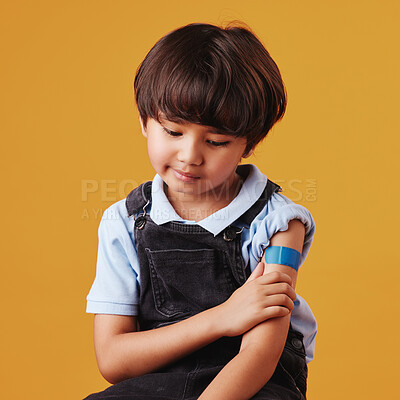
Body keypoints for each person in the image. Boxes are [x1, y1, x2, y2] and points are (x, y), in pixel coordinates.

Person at [85, 22, 317, 400]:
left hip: (252, 386)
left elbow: (261, 354)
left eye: (216, 141)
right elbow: (113, 360)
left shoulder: (278, 223)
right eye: (173, 132)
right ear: (145, 121)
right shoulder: (124, 222)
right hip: (155, 384)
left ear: (249, 143)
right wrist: (223, 317)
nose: (190, 156)